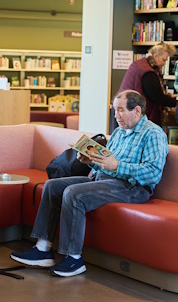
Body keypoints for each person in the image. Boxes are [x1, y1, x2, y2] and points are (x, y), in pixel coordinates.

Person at [10, 90, 168, 277]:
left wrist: (118, 166)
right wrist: (90, 161)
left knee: (73, 193)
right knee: (53, 186)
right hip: (103, 179)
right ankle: (43, 248)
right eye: (114, 110)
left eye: (120, 110)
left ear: (137, 111)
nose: (116, 115)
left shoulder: (153, 134)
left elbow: (152, 173)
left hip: (132, 187)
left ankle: (74, 259)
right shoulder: (118, 132)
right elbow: (107, 162)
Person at [117, 42, 177, 126]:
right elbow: (156, 96)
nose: (164, 64)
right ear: (155, 56)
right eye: (164, 60)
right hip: (132, 113)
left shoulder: (141, 64)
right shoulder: (148, 71)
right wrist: (176, 103)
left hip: (125, 109)